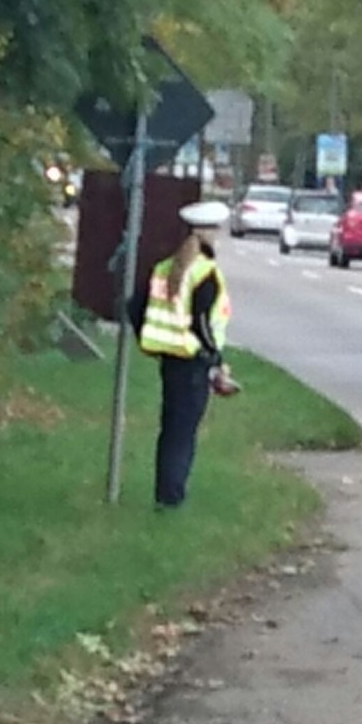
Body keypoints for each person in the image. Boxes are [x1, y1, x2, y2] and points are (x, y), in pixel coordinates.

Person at [130, 200, 232, 509]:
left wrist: (150, 339)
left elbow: (135, 307)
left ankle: (165, 493)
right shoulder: (205, 272)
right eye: (217, 230)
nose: (219, 235)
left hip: (170, 360)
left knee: (171, 429)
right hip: (193, 363)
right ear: (207, 233)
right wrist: (215, 360)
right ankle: (171, 498)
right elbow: (201, 322)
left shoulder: (165, 267)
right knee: (183, 433)